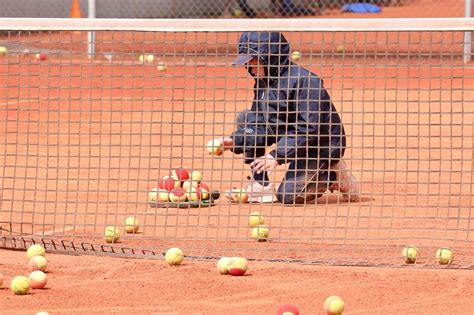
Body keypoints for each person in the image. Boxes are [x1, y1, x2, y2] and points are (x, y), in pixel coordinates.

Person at [209, 31, 359, 204]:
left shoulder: (307, 82)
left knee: (288, 196)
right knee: (246, 118)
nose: (250, 68)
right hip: (291, 139)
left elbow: (309, 129)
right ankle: (261, 185)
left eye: (253, 61)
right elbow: (258, 123)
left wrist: (276, 155)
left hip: (321, 146)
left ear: (270, 58)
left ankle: (332, 174)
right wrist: (234, 140)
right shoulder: (264, 82)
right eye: (247, 63)